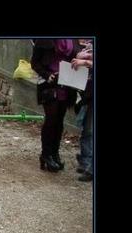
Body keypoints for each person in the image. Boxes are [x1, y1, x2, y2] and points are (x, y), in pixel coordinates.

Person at [31, 39, 82, 172]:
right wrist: (47, 75)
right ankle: (46, 154)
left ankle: (55, 154)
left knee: (59, 121)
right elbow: (34, 63)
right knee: (51, 119)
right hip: (49, 84)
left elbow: (77, 57)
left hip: (66, 84)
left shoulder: (73, 40)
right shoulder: (43, 40)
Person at [72, 40, 94, 182]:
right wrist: (84, 56)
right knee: (87, 130)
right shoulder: (90, 43)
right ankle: (86, 163)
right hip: (88, 94)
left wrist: (86, 62)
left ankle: (90, 168)